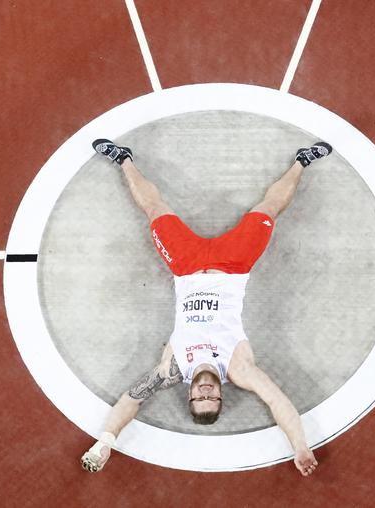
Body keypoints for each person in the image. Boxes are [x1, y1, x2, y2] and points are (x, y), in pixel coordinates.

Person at [80, 137, 332, 477]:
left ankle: (124, 160)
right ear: (220, 398)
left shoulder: (173, 368)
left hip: (185, 267)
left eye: (200, 397)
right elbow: (277, 402)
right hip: (234, 266)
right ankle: (301, 162)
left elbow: (132, 399)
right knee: (268, 208)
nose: (206, 391)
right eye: (212, 398)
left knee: (155, 210)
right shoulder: (238, 369)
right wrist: (300, 446)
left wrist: (105, 441)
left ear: (190, 397)